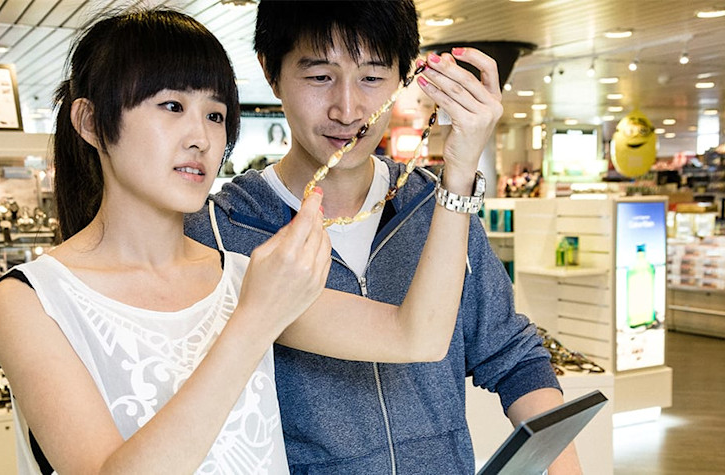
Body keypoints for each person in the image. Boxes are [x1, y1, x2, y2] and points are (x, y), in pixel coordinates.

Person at [0, 8, 479, 474]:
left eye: (216, 115)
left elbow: (420, 336)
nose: (201, 138)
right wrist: (255, 320)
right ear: (91, 122)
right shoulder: (30, 299)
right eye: (172, 106)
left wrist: (459, 174)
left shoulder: (239, 274)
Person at [184, 1, 582, 473]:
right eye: (319, 77)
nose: (348, 109)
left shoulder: (437, 208)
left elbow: (510, 352)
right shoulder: (218, 231)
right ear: (272, 72)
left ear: (405, 77)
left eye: (372, 78)